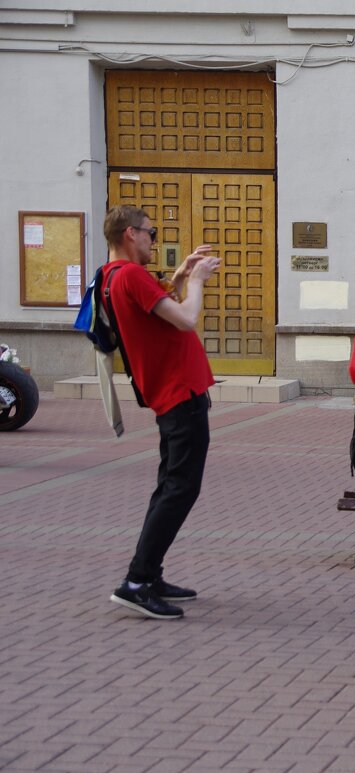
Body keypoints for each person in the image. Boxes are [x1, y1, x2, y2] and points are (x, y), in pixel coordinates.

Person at [103, 205, 222, 620]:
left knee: (170, 486)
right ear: (130, 234)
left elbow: (157, 309)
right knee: (179, 489)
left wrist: (181, 275)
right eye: (150, 233)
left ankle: (148, 574)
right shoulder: (131, 275)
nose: (154, 240)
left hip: (173, 393)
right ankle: (136, 582)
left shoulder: (113, 275)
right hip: (178, 393)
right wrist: (198, 282)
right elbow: (185, 319)